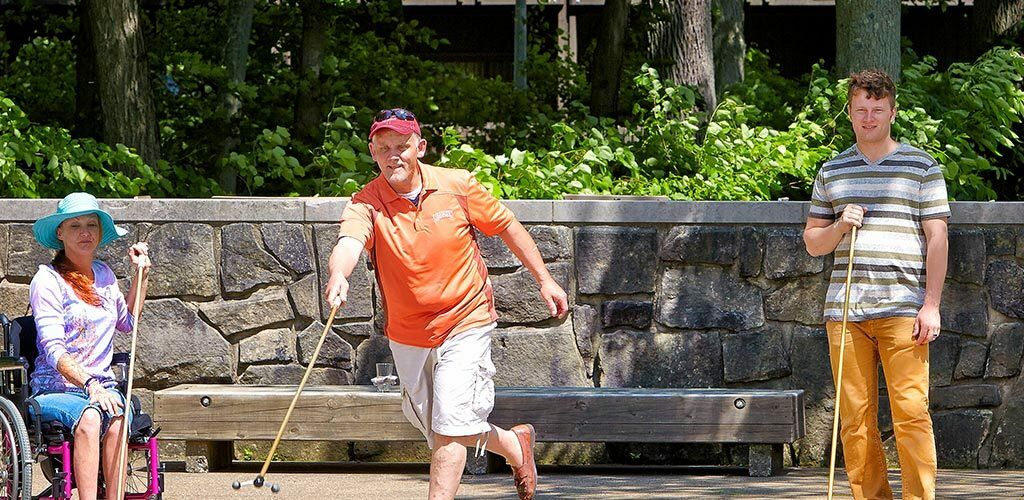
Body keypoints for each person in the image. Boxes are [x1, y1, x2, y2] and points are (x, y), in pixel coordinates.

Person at [324, 108, 568, 500]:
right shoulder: (366, 202)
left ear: (419, 147)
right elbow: (349, 242)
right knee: (440, 426)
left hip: (466, 317)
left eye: (402, 146)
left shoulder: (457, 185)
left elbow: (506, 225)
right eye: (383, 148)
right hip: (409, 332)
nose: (393, 156)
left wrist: (545, 279)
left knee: (452, 423)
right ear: (372, 151)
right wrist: (339, 274)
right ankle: (513, 445)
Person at [803, 69, 949, 500]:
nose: (869, 118)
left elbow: (937, 237)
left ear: (892, 111)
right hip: (845, 311)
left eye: (877, 110)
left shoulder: (922, 166)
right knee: (854, 417)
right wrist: (840, 226)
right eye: (861, 110)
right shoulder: (833, 170)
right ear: (849, 112)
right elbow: (814, 243)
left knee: (911, 413)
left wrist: (932, 305)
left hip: (904, 308)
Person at [29, 192, 152, 500]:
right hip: (55, 389)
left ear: (99, 232)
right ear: (60, 233)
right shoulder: (47, 280)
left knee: (119, 417)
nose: (85, 232)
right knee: (91, 414)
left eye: (91, 225)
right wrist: (90, 385)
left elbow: (128, 323)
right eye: (75, 225)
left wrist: (141, 274)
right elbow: (54, 351)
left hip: (101, 388)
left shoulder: (105, 275)